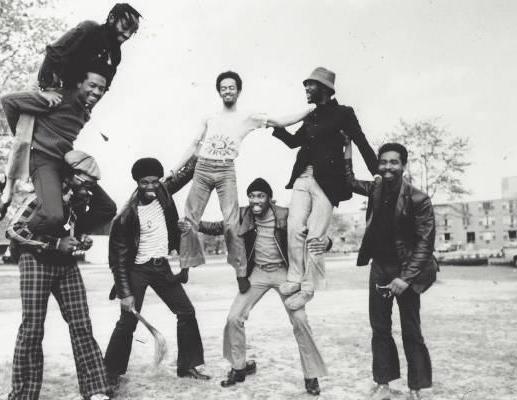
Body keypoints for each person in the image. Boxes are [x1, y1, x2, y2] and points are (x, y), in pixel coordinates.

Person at [179, 178, 332, 395]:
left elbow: (311, 231)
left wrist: (327, 242)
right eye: (251, 196)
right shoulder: (242, 215)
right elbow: (218, 227)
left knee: (300, 320)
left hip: (284, 273)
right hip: (257, 273)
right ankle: (239, 367)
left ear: (269, 198)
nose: (255, 200)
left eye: (260, 196)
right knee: (234, 318)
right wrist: (193, 224)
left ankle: (311, 375)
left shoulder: (285, 215)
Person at [165, 70, 317, 283]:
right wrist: (173, 170)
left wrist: (309, 110)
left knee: (231, 223)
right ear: (219, 92)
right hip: (202, 169)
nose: (227, 91)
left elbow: (280, 122)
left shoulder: (248, 117)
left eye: (231, 88)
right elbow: (192, 146)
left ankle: (241, 272)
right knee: (190, 219)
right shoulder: (209, 117)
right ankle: (185, 269)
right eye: (223, 88)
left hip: (226, 171)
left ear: (238, 91)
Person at [0, 3, 141, 218]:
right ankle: (7, 192)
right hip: (49, 84)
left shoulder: (115, 54)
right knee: (25, 137)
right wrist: (45, 89)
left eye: (132, 32)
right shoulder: (89, 30)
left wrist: (88, 106)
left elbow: (104, 85)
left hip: (74, 95)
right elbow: (54, 52)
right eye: (125, 26)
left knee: (53, 143)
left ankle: (40, 190)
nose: (127, 34)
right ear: (111, 19)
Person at [6, 150, 116, 400]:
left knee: (82, 325)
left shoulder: (76, 204)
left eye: (92, 185)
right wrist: (56, 244)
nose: (89, 190)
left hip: (65, 265)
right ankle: (23, 395)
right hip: (35, 262)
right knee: (32, 329)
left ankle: (96, 390)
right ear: (70, 176)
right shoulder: (41, 196)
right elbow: (14, 230)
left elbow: (82, 225)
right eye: (86, 183)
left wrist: (81, 240)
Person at [271, 66, 379, 309]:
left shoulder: (344, 113)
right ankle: (295, 278)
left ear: (324, 89)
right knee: (294, 227)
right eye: (305, 85)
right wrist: (275, 126)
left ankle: (308, 288)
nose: (306, 89)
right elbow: (294, 142)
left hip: (327, 183)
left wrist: (376, 172)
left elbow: (361, 142)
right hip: (302, 176)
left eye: (310, 84)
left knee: (315, 235)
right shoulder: (311, 115)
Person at [343, 135, 437, 400]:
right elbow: (348, 181)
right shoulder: (375, 188)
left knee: (411, 330)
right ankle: (383, 384)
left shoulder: (418, 198)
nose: (387, 167)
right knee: (380, 329)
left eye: (394, 162)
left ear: (403, 166)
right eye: (383, 162)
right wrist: (347, 147)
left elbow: (425, 244)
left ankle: (417, 388)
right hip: (380, 267)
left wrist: (406, 278)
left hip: (407, 269)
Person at [104, 157, 211, 383]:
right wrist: (125, 293)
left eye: (154, 181)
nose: (151, 187)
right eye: (144, 182)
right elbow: (118, 261)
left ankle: (187, 367)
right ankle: (110, 373)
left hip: (161, 267)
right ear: (137, 182)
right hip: (137, 270)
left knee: (186, 312)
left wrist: (202, 152)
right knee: (128, 322)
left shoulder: (164, 192)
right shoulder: (126, 215)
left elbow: (187, 173)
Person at [0, 63, 116, 239]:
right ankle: (25, 237)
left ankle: (70, 234)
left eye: (101, 89)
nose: (97, 92)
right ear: (79, 83)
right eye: (92, 85)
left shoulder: (86, 105)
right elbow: (8, 101)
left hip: (65, 161)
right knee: (53, 216)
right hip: (42, 159)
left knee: (107, 208)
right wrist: (23, 137)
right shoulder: (58, 98)